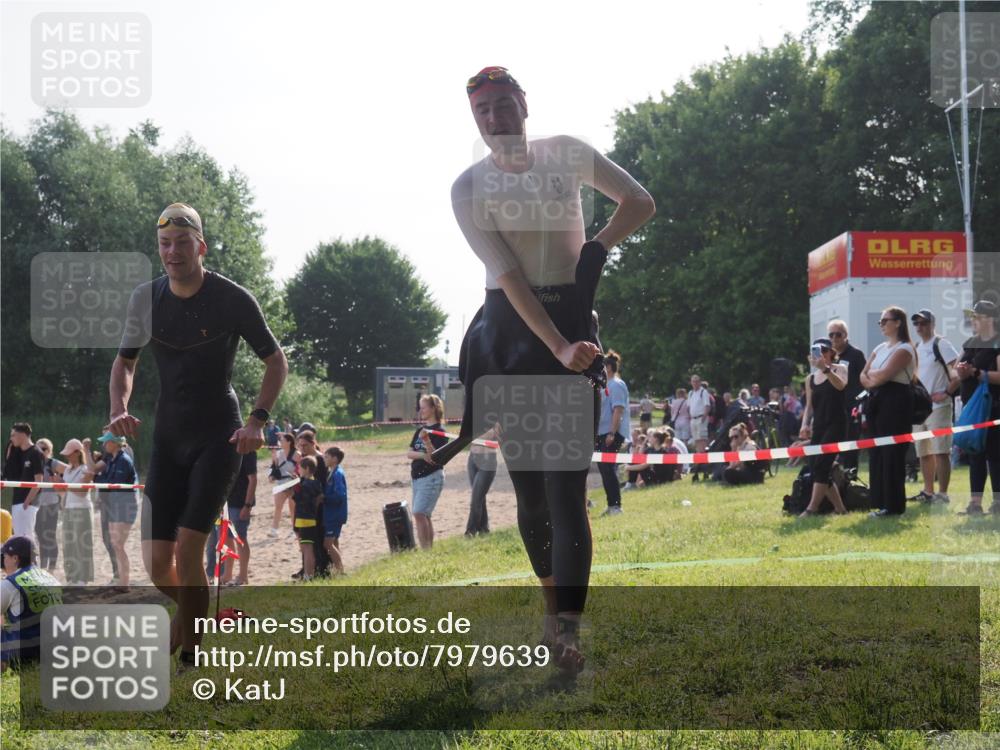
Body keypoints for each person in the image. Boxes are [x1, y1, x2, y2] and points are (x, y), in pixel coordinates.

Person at [449, 66, 654, 676]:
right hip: (508, 332)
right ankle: (549, 603)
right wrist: (558, 346)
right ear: (475, 120)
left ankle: (568, 631)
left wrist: (598, 247)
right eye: (482, 109)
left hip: (570, 314)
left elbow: (640, 203)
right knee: (531, 497)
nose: (494, 116)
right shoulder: (468, 187)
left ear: (524, 104)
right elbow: (508, 277)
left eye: (503, 103)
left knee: (568, 492)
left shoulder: (566, 152)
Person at [110, 202, 287, 666]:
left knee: (190, 552)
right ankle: (192, 616)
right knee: (156, 566)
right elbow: (125, 361)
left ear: (201, 247)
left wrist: (258, 420)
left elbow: (276, 360)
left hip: (219, 437)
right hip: (167, 438)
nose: (173, 252)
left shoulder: (232, 299)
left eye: (182, 243)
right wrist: (118, 408)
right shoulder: (145, 300)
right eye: (164, 245)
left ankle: (191, 656)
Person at [860, 306, 916, 517]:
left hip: (896, 403)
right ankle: (880, 502)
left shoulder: (905, 349)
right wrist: (873, 376)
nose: (882, 325)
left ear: (898, 323)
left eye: (885, 321)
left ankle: (894, 506)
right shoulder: (879, 348)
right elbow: (863, 376)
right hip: (877, 401)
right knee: (877, 452)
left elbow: (883, 375)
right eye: (880, 322)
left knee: (892, 454)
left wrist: (874, 375)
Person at [952, 300, 1000, 515]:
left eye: (977, 317)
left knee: (995, 455)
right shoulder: (971, 342)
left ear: (989, 319)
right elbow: (956, 367)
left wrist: (977, 374)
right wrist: (962, 371)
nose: (973, 321)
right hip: (972, 408)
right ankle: (975, 504)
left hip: (993, 408)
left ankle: (997, 503)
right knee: (975, 455)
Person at [909, 309, 960, 505]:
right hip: (919, 409)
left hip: (939, 406)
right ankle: (928, 491)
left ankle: (943, 494)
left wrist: (946, 392)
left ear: (932, 324)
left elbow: (958, 371)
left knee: (941, 451)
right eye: (917, 324)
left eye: (924, 323)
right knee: (923, 452)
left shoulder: (941, 344)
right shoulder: (916, 347)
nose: (920, 327)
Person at [797, 338, 849, 516]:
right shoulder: (810, 379)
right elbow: (809, 406)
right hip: (818, 425)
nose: (821, 354)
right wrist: (804, 424)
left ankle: (812, 508)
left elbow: (841, 385)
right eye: (817, 351)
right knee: (816, 466)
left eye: (825, 350)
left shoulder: (839, 369)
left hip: (836, 424)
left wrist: (825, 369)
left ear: (831, 353)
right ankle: (840, 509)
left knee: (822, 465)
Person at [1, 536, 62, 672]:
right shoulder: (51, 578)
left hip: (29, 654)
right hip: (60, 651)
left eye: (4, 557)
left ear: (15, 558)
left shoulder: (9, 584)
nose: (3, 561)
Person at [84, 433, 138, 585]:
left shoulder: (123, 460)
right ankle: (122, 580)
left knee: (118, 545)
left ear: (114, 443)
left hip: (125, 505)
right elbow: (102, 478)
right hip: (115, 505)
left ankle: (124, 582)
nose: (104, 445)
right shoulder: (112, 460)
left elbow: (113, 482)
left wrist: (98, 479)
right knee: (116, 544)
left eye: (106, 442)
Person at [205, 450, 256, 586]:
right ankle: (227, 574)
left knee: (240, 539)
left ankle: (243, 575)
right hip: (224, 502)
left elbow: (253, 479)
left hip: (239, 503)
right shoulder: (222, 450)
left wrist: (248, 504)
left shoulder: (248, 451)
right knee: (225, 538)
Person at [407, 394, 449, 549]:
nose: (421, 410)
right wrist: (422, 455)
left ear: (433, 408)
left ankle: (426, 549)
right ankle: (428, 550)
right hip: (417, 478)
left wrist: (426, 441)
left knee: (419, 513)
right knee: (424, 515)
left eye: (424, 407)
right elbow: (409, 453)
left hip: (431, 477)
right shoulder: (420, 429)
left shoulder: (440, 431)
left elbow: (435, 457)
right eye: (420, 407)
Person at [828, 319, 867, 471]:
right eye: (831, 335)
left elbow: (866, 382)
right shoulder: (828, 356)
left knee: (850, 444)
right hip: (833, 407)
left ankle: (850, 476)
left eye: (838, 334)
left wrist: (858, 402)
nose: (834, 338)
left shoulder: (856, 355)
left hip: (851, 408)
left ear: (845, 335)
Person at [54, 439, 95, 585]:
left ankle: (83, 578)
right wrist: (57, 485)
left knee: (81, 544)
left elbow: (83, 491)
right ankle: (71, 577)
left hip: (82, 510)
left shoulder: (84, 468)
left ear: (78, 453)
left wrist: (64, 485)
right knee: (68, 544)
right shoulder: (68, 470)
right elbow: (64, 492)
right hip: (68, 510)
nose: (67, 457)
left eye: (69, 453)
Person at [596, 351, 630, 515]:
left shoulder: (616, 384)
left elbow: (618, 410)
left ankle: (616, 506)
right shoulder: (606, 384)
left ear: (608, 367)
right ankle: (611, 505)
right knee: (604, 468)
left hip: (611, 433)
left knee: (608, 468)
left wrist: (612, 433)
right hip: (602, 432)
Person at [294, 430, 331, 578]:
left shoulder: (319, 460)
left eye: (305, 445)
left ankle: (321, 569)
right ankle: (306, 569)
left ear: (313, 443)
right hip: (305, 507)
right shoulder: (304, 459)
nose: (302, 448)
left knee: (317, 538)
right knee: (305, 540)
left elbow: (320, 485)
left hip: (315, 507)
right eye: (300, 446)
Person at [3, 424, 43, 542]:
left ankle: (32, 561)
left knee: (27, 538)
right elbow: (9, 475)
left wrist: (27, 501)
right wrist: (9, 455)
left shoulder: (35, 452)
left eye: (13, 435)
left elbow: (39, 480)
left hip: (27, 503)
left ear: (23, 435)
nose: (11, 438)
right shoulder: (18, 453)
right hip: (17, 501)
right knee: (19, 537)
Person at [291, 456, 323, 581]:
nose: (298, 470)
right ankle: (308, 574)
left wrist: (296, 487)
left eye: (300, 468)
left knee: (307, 549)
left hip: (305, 519)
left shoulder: (306, 484)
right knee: (306, 548)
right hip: (309, 518)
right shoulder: (315, 483)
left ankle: (308, 576)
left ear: (307, 469)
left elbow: (300, 499)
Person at [33, 439, 61, 571]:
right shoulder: (33, 464)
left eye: (44, 449)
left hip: (51, 504)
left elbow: (70, 471)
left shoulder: (52, 463)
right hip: (36, 505)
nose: (41, 451)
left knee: (50, 535)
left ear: (49, 451)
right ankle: (43, 567)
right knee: (40, 535)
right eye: (38, 449)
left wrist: (58, 480)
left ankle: (52, 567)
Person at [322, 447, 347, 574]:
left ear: (334, 459)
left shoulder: (337, 474)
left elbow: (339, 495)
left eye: (326, 457)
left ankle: (341, 571)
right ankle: (338, 570)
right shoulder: (331, 472)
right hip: (332, 514)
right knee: (334, 542)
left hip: (335, 515)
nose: (324, 459)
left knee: (328, 544)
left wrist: (324, 497)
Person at [270, 433, 298, 537]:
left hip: (293, 483)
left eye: (282, 440)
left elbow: (300, 468)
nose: (280, 442)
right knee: (278, 506)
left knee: (293, 508)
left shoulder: (296, 454)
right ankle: (274, 530)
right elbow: (273, 468)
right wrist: (271, 476)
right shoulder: (278, 453)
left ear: (289, 442)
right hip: (280, 483)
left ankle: (295, 530)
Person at [466, 439, 496, 537]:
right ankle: (484, 529)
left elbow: (494, 432)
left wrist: (472, 436)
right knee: (479, 497)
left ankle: (470, 531)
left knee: (476, 499)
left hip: (487, 460)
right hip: (472, 458)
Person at [687, 375, 712, 454]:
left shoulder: (703, 392)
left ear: (700, 382)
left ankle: (703, 457)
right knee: (696, 439)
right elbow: (689, 406)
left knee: (702, 439)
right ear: (691, 383)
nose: (695, 383)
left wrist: (703, 417)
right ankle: (698, 456)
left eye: (697, 381)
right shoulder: (691, 393)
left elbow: (707, 405)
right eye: (693, 381)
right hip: (693, 419)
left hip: (701, 418)